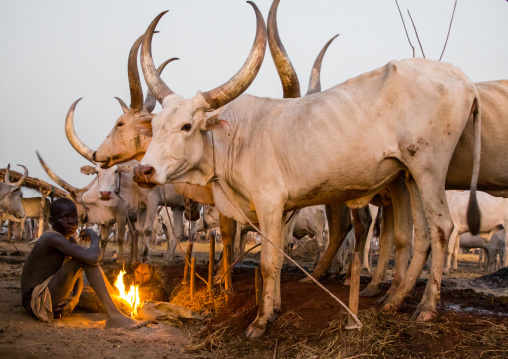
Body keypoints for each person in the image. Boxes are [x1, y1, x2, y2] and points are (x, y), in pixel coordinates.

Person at [21, 198, 145, 328]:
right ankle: (114, 315)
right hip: (36, 302)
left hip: (50, 296)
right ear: (52, 221)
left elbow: (78, 275)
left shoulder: (69, 242)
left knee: (84, 260)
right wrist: (94, 237)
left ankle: (117, 308)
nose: (71, 221)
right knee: (85, 259)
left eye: (74, 217)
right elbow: (92, 258)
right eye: (65, 217)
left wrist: (75, 298)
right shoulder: (51, 238)